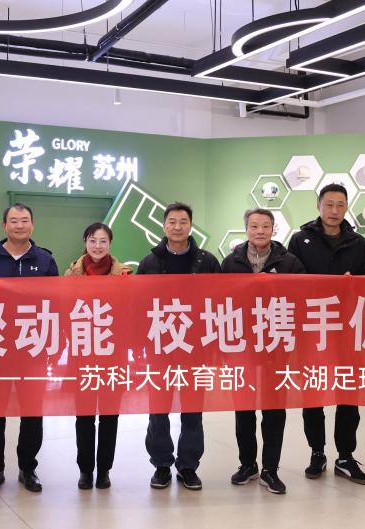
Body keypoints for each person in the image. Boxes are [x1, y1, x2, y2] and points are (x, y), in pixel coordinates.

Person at [287, 183, 365, 486]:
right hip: (313, 327)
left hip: (348, 328)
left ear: (346, 207)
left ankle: (345, 456)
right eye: (329, 204)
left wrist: (356, 282)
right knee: (313, 393)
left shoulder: (358, 242)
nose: (334, 210)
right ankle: (317, 452)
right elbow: (290, 278)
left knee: (348, 394)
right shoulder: (300, 240)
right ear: (318, 206)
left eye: (340, 205)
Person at [0, 203, 59, 495]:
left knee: (32, 413)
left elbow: (55, 305)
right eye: (13, 221)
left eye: (24, 221)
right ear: (4, 226)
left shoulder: (45, 260)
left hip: (32, 351)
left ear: (33, 225)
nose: (19, 225)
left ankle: (28, 468)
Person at [138, 202, 221, 491]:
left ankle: (188, 466)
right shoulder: (149, 263)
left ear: (190, 225)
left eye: (183, 221)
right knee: (158, 410)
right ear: (164, 226)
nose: (177, 227)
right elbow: (138, 306)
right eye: (172, 221)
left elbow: (220, 304)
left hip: (195, 349)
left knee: (193, 410)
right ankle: (161, 465)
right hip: (160, 348)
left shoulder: (207, 262)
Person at [223, 208, 305, 495]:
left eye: (265, 226)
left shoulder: (290, 262)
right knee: (243, 408)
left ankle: (271, 469)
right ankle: (248, 464)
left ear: (273, 229)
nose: (260, 231)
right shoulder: (231, 262)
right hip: (242, 346)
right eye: (254, 226)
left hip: (276, 346)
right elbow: (220, 301)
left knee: (274, 410)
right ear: (246, 229)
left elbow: (302, 299)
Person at [63, 222, 129, 490]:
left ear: (110, 244)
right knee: (84, 416)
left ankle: (104, 470)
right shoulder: (71, 275)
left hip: (113, 355)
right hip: (82, 355)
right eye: (92, 240)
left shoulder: (125, 275)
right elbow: (63, 312)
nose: (98, 246)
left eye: (103, 241)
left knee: (110, 415)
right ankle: (85, 470)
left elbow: (131, 314)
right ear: (85, 243)